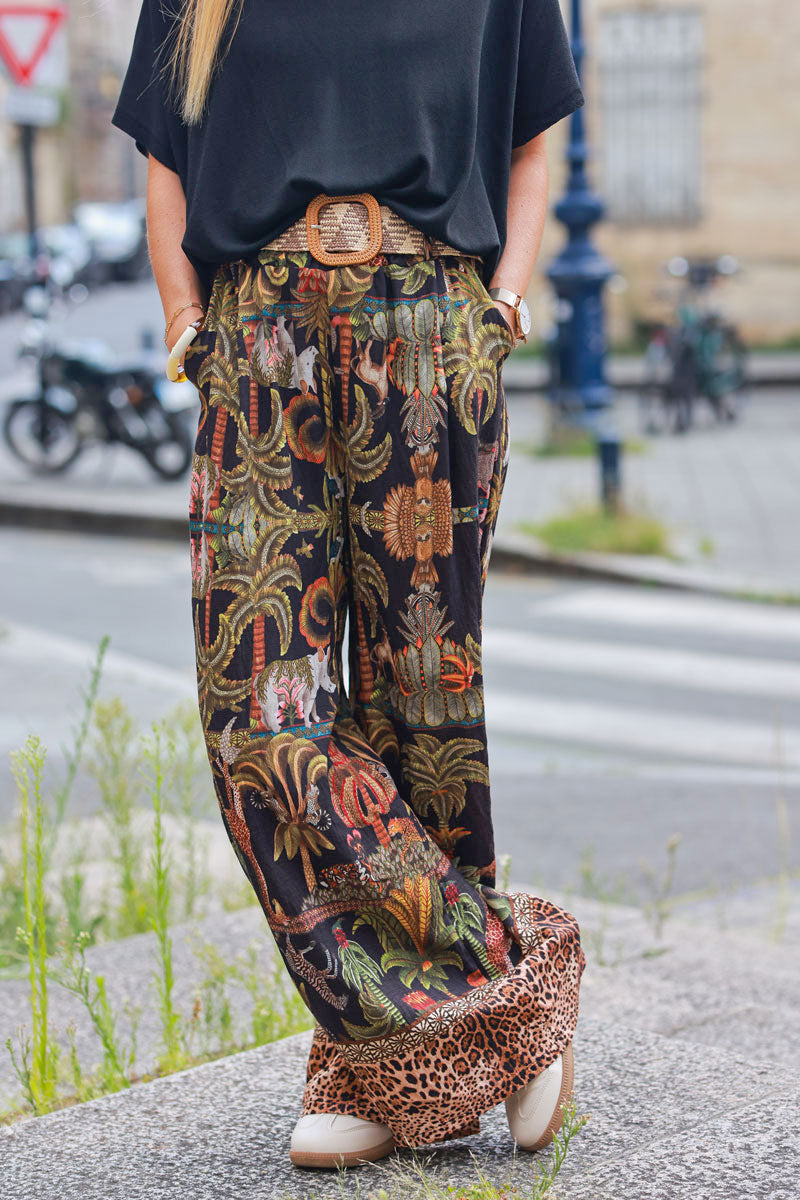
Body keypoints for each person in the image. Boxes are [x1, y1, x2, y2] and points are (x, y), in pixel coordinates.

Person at [112, 0, 587, 1171]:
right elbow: (165, 158)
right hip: (257, 339)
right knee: (256, 717)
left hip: (429, 330)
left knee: (421, 709)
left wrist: (506, 298)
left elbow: (535, 132)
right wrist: (186, 319)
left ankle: (381, 1067)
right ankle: (510, 996)